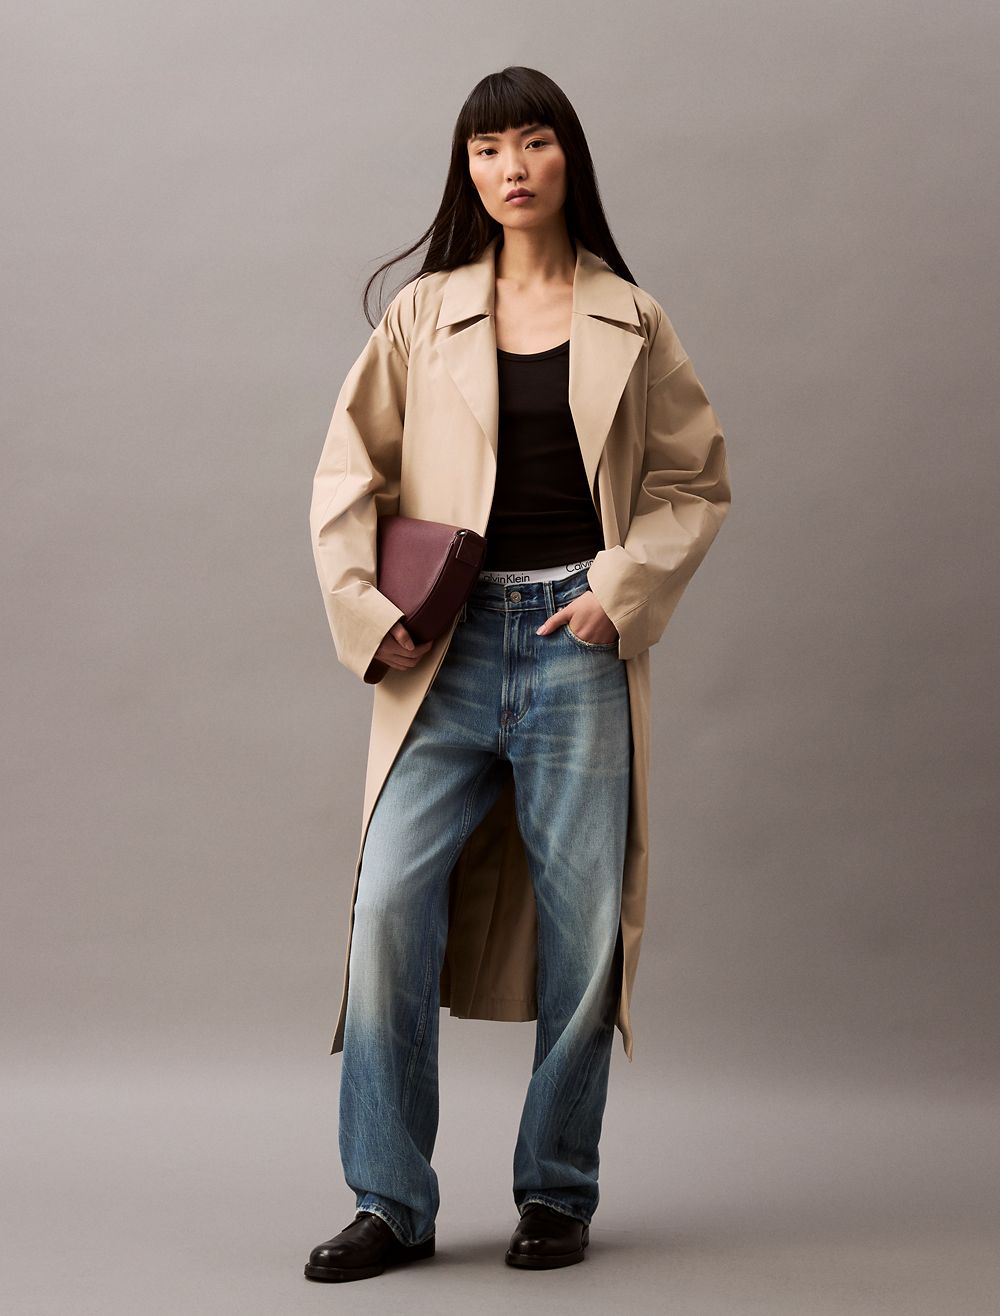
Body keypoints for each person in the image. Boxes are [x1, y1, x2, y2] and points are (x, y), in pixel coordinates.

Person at [304, 65, 732, 1283]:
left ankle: (556, 1189)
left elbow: (694, 480)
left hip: (572, 642)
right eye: (488, 148)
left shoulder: (630, 317)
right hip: (444, 648)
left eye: (532, 141)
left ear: (565, 157)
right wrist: (369, 612)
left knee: (583, 931)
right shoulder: (420, 314)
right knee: (387, 910)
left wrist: (621, 591)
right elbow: (346, 475)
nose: (511, 167)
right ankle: (390, 1199)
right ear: (468, 170)